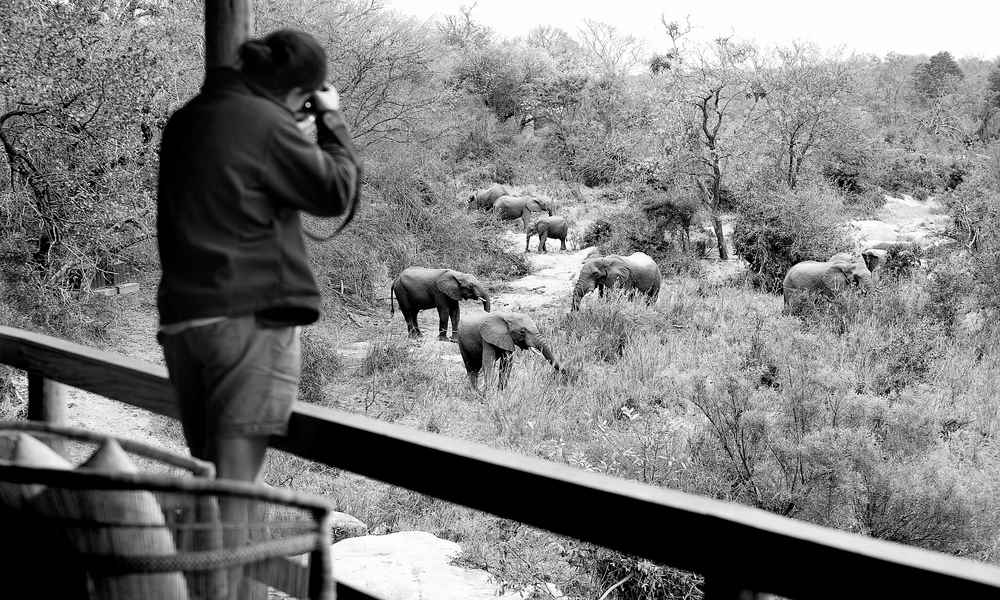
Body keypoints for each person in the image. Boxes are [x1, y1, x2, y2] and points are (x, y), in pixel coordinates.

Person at [156, 29, 360, 485]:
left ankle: (203, 557)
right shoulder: (266, 124)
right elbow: (334, 192)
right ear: (299, 92)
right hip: (246, 325)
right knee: (235, 487)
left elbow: (238, 188)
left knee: (211, 474)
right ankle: (221, 558)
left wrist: (289, 132)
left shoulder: (187, 119)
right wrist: (331, 124)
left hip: (184, 323)